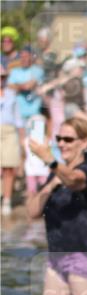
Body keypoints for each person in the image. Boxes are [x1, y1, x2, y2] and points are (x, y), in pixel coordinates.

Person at [25, 118, 87, 295]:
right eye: (59, 138)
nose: (61, 144)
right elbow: (32, 211)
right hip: (55, 256)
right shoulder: (56, 173)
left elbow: (75, 181)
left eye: (68, 139)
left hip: (82, 256)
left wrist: (50, 160)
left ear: (84, 142)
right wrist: (50, 185)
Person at [1, 66, 23, 217]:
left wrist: (23, 139)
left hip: (9, 131)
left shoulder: (11, 95)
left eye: (2, 77)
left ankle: (7, 200)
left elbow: (18, 118)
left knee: (9, 167)